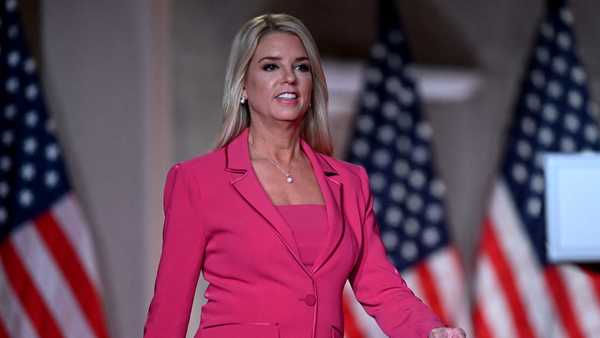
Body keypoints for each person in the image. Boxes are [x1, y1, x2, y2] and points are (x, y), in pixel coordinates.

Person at [143, 13, 466, 338]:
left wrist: (430, 331)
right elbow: (170, 308)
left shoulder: (349, 183)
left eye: (301, 67)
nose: (289, 78)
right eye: (271, 66)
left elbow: (380, 286)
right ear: (242, 85)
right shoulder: (197, 180)